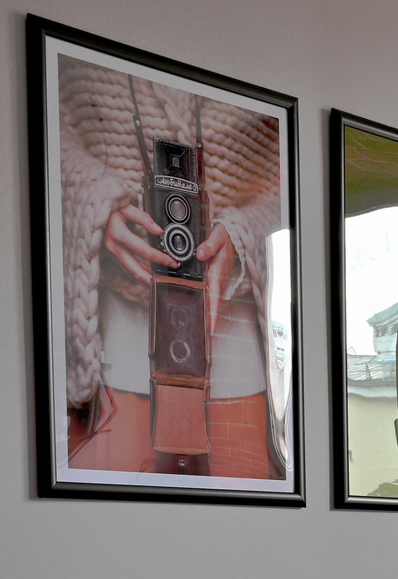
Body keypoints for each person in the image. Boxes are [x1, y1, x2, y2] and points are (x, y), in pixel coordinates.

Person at [55, 58, 287, 478]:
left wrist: (244, 232)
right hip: (118, 329)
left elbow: (293, 181)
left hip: (232, 337)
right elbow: (52, 133)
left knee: (242, 497)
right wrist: (96, 200)